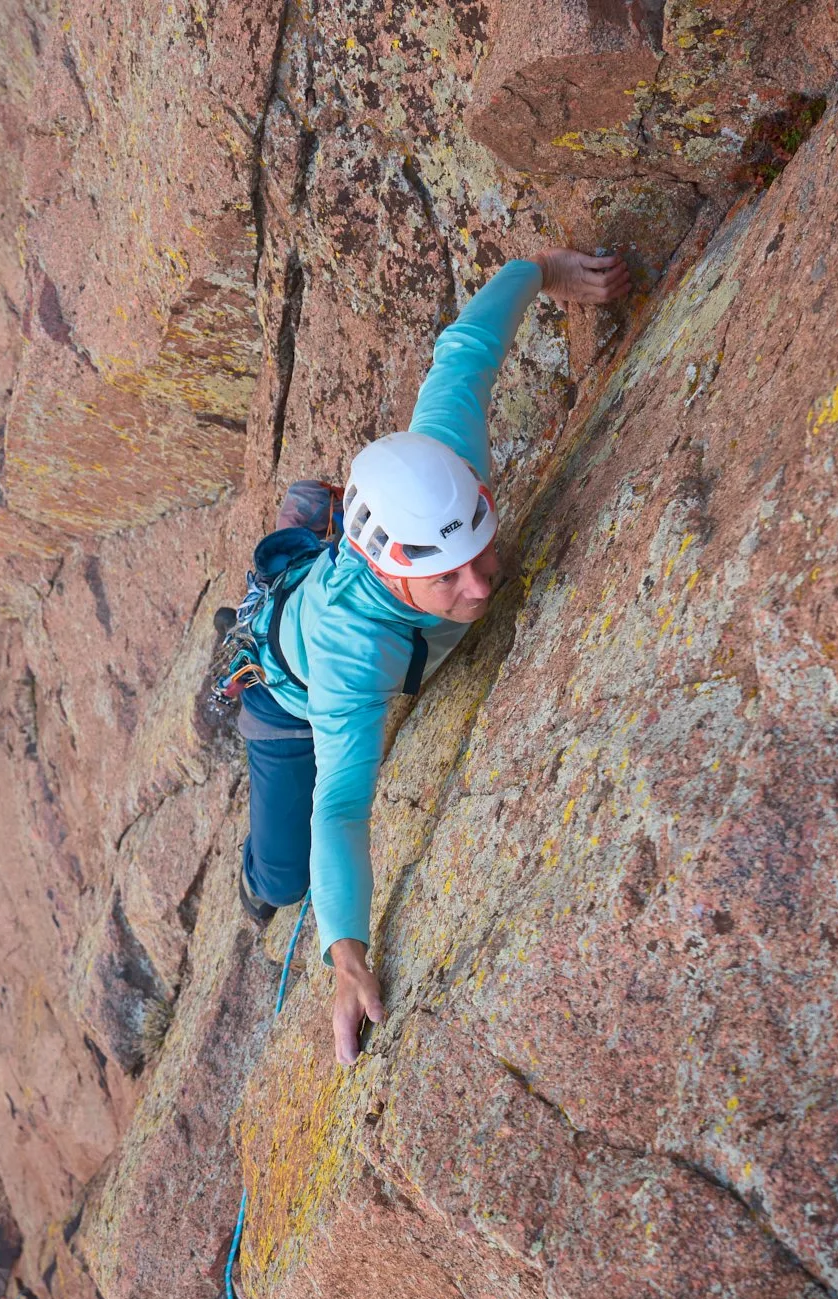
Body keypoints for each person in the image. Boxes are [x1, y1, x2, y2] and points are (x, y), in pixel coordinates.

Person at [236, 249, 631, 1065]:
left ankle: (309, 519)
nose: (481, 585)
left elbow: (465, 349)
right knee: (282, 882)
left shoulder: (448, 464)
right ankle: (255, 881)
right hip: (289, 695)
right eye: (447, 576)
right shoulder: (353, 660)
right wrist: (344, 951)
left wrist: (545, 269)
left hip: (339, 573)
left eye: (481, 554)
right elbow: (340, 808)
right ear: (387, 565)